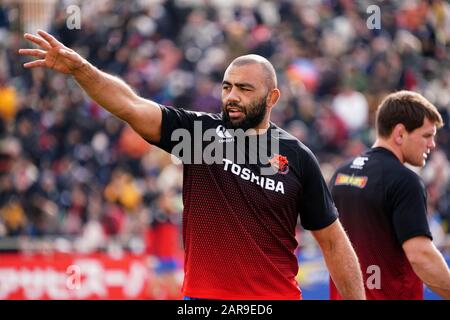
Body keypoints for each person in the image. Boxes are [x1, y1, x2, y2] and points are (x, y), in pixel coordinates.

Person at [19, 30, 365, 300]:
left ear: (272, 97)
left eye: (245, 89)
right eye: (227, 87)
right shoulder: (199, 133)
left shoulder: (298, 157)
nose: (232, 96)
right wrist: (80, 68)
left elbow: (333, 243)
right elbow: (130, 105)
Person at [329, 90, 450, 300]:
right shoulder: (404, 180)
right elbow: (420, 256)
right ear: (400, 133)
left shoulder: (341, 174)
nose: (432, 144)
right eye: (427, 135)